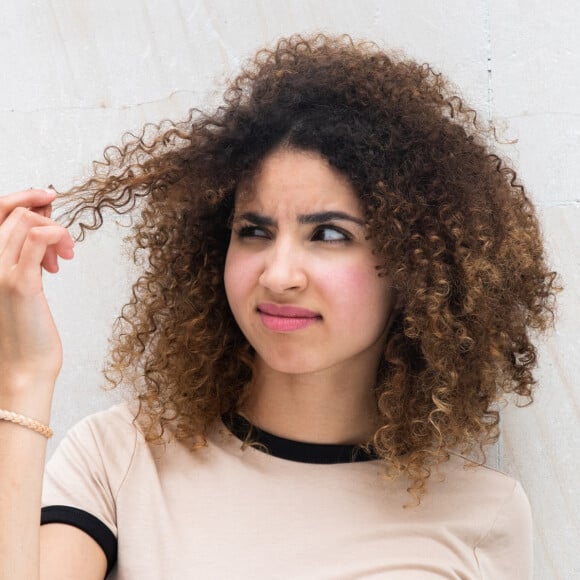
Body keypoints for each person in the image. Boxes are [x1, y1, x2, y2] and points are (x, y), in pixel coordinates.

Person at [0, 33, 559, 579]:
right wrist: (22, 377)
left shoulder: (482, 513)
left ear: (418, 263)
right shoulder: (120, 457)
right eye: (254, 231)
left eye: (331, 235)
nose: (279, 274)